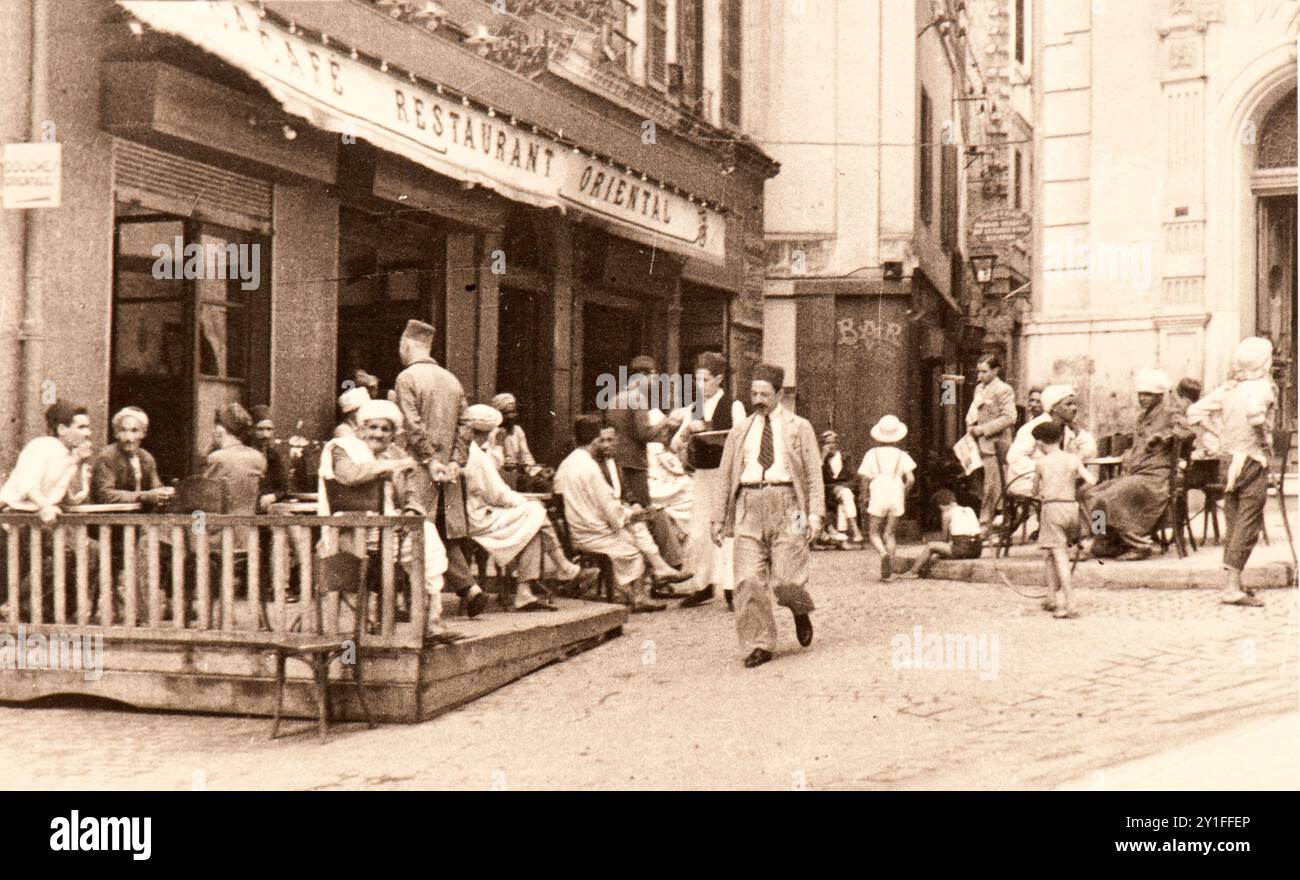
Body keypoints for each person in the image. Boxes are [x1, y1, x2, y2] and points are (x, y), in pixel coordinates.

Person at [711, 363, 821, 669]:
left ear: (780, 394)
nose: (758, 399)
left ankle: (799, 609)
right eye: (753, 393)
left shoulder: (800, 427)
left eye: (764, 394)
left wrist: (814, 516)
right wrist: (718, 518)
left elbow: (813, 475)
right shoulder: (739, 431)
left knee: (787, 579)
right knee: (747, 580)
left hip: (791, 506)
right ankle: (759, 643)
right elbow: (724, 475)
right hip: (748, 503)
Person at [318, 398, 456, 641]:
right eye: (373, 427)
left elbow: (412, 496)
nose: (378, 434)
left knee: (429, 538)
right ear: (361, 429)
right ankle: (369, 621)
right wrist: (389, 467)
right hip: (353, 530)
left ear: (393, 434)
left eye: (385, 429)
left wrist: (413, 512)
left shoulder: (397, 455)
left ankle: (432, 622)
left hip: (393, 530)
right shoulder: (344, 449)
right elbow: (348, 475)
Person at [394, 319, 489, 618]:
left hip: (420, 470)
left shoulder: (407, 378)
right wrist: (454, 463)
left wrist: (430, 460)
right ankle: (470, 589)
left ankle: (412, 601)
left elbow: (412, 425)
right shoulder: (451, 379)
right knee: (442, 533)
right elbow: (466, 425)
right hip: (447, 473)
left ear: (407, 346)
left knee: (412, 529)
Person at [462, 404, 598, 611]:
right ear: (487, 431)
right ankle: (564, 567)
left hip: (474, 512)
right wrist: (522, 501)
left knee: (533, 526)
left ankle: (526, 594)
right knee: (535, 510)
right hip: (479, 517)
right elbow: (498, 494)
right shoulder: (477, 456)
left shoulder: (470, 451)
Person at [1186, 337, 1278, 608]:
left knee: (1234, 520)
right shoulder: (1262, 387)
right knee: (1248, 523)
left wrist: (1219, 432)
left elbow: (1194, 412)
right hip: (1251, 460)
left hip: (1227, 461)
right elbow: (1257, 417)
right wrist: (1264, 441)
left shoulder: (1229, 389)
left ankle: (1232, 582)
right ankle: (1230, 587)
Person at [553, 416, 676, 613]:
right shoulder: (590, 468)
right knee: (632, 545)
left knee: (634, 530)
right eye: (601, 440)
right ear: (595, 441)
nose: (605, 444)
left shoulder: (568, 464)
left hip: (580, 525)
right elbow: (609, 507)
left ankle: (648, 580)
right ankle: (637, 595)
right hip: (590, 532)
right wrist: (630, 515)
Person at [1083, 369, 1192, 560]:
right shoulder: (1142, 417)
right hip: (1136, 473)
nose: (1142, 398)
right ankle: (1102, 538)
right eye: (1140, 394)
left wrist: (1164, 436)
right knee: (1092, 494)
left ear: (1158, 396)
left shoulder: (1169, 413)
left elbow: (1188, 433)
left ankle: (1140, 544)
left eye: (1147, 395)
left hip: (1156, 477)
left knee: (1109, 498)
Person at [674, 351, 747, 609]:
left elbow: (739, 439)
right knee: (699, 532)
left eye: (704, 380)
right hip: (703, 475)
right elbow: (676, 443)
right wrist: (686, 432)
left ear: (719, 379)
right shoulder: (693, 408)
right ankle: (703, 584)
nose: (699, 385)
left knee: (727, 530)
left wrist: (708, 430)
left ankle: (730, 586)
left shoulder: (733, 405)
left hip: (725, 475)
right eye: (696, 380)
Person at [1032, 420, 1095, 619]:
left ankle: (1070, 604)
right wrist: (1074, 491)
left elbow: (1034, 492)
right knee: (1050, 554)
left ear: (1040, 444)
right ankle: (1051, 598)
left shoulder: (1041, 463)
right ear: (1060, 439)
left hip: (1052, 509)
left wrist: (1042, 493)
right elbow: (1092, 480)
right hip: (1071, 509)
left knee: (1059, 557)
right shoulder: (1073, 459)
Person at [602, 355, 682, 508]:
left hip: (617, 462)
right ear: (644, 375)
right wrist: (665, 421)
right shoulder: (638, 398)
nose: (656, 380)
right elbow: (644, 434)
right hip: (634, 464)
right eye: (654, 376)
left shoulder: (616, 397)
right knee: (644, 508)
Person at [0, 400, 93, 523]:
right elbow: (27, 484)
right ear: (62, 429)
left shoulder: (73, 456)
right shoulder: (41, 446)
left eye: (88, 427)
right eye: (81, 427)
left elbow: (73, 499)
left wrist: (79, 463)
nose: (88, 433)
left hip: (43, 520)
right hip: (14, 516)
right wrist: (45, 506)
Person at [858, 415, 916, 582]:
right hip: (896, 490)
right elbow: (911, 479)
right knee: (890, 534)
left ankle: (883, 554)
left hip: (878, 489)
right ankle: (890, 572)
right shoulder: (901, 455)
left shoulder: (871, 454)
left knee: (873, 532)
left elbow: (864, 478)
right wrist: (904, 492)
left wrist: (864, 495)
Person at [965, 353, 1018, 531]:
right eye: (978, 372)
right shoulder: (979, 389)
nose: (979, 376)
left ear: (995, 371)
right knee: (985, 486)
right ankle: (1000, 521)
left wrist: (983, 429)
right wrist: (971, 426)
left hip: (996, 445)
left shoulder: (1004, 389)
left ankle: (985, 525)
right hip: (980, 445)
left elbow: (1010, 417)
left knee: (992, 486)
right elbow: (976, 412)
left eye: (984, 372)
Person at [91, 407, 169, 506]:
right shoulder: (107, 457)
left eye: (134, 431)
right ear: (116, 433)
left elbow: (156, 488)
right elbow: (105, 495)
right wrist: (143, 496)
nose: (129, 438)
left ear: (143, 433)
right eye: (123, 430)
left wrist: (163, 493)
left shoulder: (146, 458)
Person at [898, 489, 983, 579]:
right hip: (977, 549)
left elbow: (944, 538)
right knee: (943, 551)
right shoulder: (969, 509)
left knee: (931, 546)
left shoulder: (947, 514)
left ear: (942, 506)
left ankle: (913, 572)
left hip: (962, 548)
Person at [202, 403, 267, 505]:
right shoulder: (259, 458)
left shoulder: (217, 458)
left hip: (221, 519)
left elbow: (205, 496)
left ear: (220, 430)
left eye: (215, 427)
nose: (213, 431)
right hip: (249, 517)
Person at [488, 392, 553, 492]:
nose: (511, 416)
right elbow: (491, 463)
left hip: (517, 477)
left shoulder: (518, 431)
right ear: (498, 414)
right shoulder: (491, 433)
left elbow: (526, 457)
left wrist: (539, 471)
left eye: (513, 412)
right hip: (497, 479)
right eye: (506, 413)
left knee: (546, 484)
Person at [819, 429, 864, 547]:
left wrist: (841, 487)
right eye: (827, 443)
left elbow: (854, 478)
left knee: (845, 495)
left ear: (837, 444)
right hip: (827, 493)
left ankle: (844, 538)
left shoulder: (846, 457)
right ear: (822, 445)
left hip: (844, 490)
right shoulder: (820, 460)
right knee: (845, 495)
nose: (830, 446)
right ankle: (854, 531)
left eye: (833, 442)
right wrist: (822, 458)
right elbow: (816, 478)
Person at [249, 405, 291, 511]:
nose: (266, 435)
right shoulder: (243, 453)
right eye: (260, 429)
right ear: (251, 430)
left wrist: (273, 497)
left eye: (269, 429)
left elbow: (284, 487)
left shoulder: (273, 456)